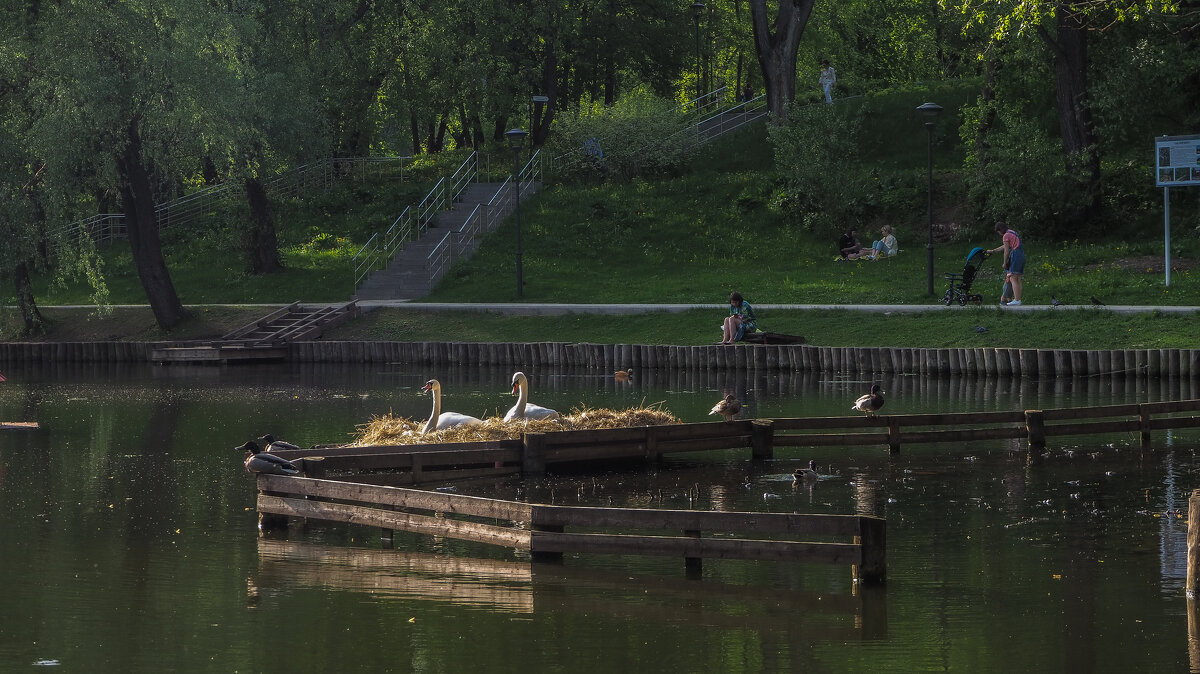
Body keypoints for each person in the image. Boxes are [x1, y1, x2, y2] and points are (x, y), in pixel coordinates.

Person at [988, 220, 1025, 306]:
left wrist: (1005, 263)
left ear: (999, 230)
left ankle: (1016, 300)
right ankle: (1018, 299)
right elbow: (1005, 246)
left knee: (1012, 278)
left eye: (998, 232)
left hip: (1015, 255)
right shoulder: (1012, 232)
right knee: (1018, 278)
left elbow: (1006, 251)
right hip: (1021, 255)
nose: (999, 234)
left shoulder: (1006, 235)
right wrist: (993, 251)